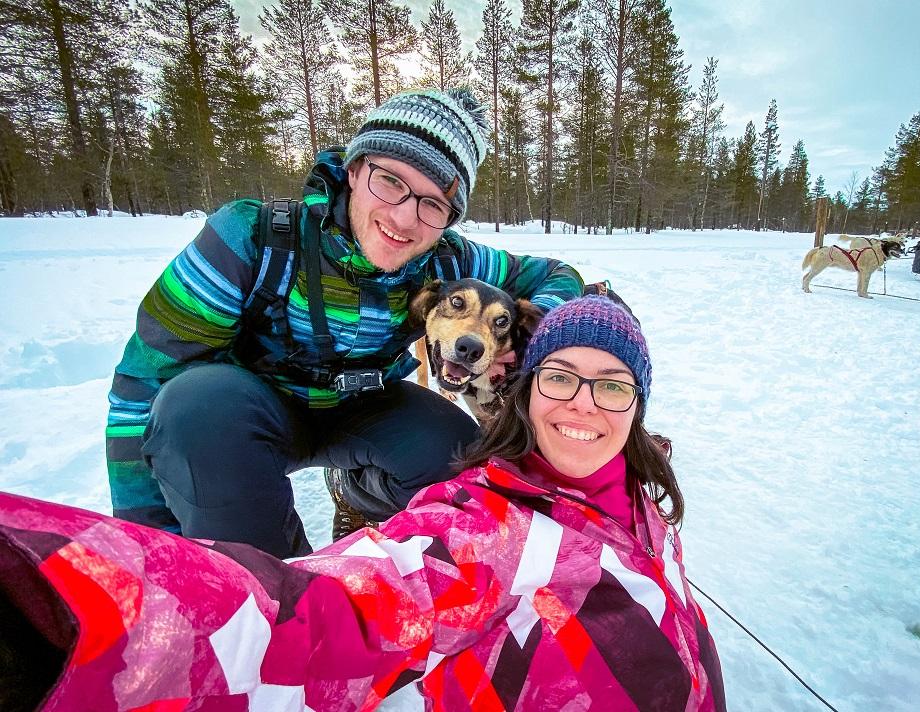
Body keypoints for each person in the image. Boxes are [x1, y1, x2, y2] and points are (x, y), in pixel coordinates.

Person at [1, 295, 725, 711]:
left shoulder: (641, 498)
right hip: (255, 410)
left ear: (638, 407)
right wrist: (63, 606)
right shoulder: (487, 532)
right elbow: (315, 617)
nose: (585, 405)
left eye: (613, 387)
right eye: (561, 378)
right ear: (527, 390)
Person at [106, 87, 583, 557]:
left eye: (433, 204)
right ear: (354, 169)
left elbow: (560, 276)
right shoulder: (249, 240)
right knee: (195, 406)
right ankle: (274, 587)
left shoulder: (450, 263)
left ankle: (363, 508)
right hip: (246, 415)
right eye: (391, 181)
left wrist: (527, 339)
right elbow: (142, 387)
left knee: (461, 457)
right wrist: (146, 546)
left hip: (365, 407)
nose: (404, 217)